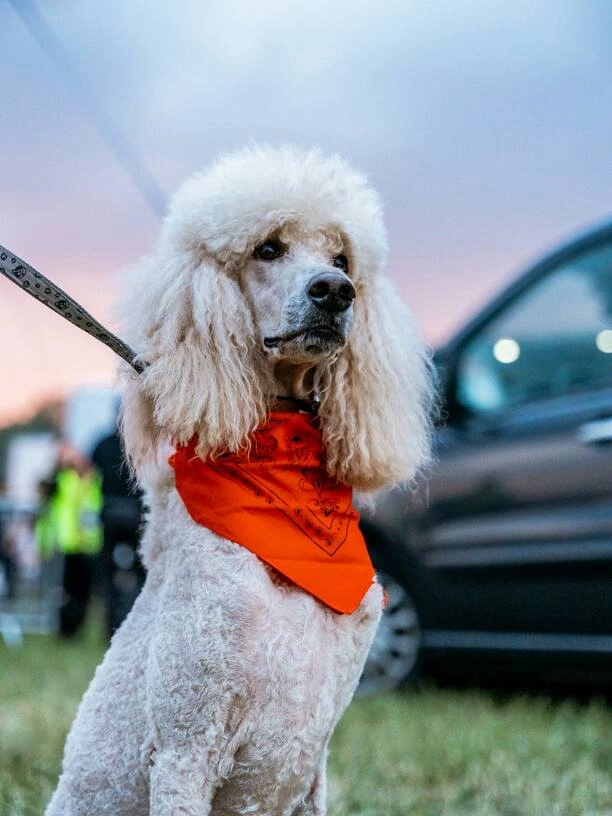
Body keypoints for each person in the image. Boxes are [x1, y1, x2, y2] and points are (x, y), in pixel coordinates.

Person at [36, 444, 102, 636]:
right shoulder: (63, 480)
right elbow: (44, 489)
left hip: (89, 545)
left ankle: (76, 627)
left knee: (83, 593)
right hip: (66, 544)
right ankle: (64, 629)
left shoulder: (95, 481)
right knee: (64, 592)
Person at [92, 430, 145, 639]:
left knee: (108, 576)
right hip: (136, 514)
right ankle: (137, 625)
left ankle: (111, 626)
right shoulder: (142, 440)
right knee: (142, 574)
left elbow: (91, 472)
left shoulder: (103, 443)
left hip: (110, 514)